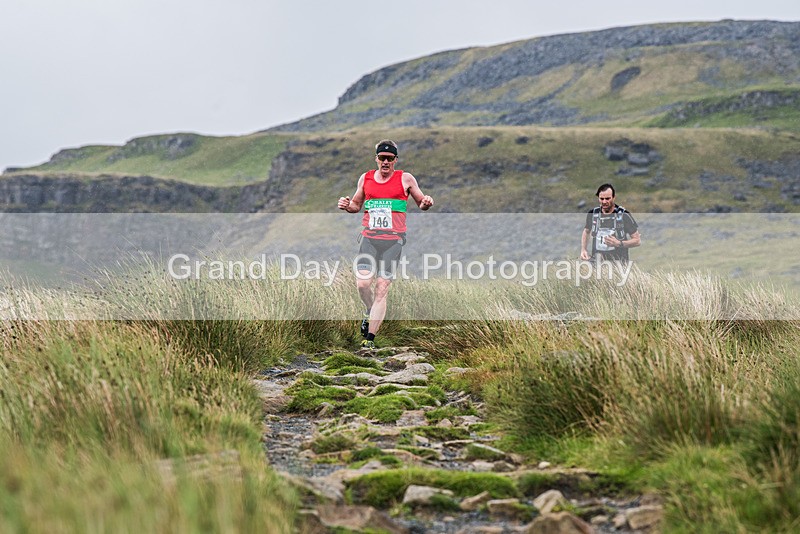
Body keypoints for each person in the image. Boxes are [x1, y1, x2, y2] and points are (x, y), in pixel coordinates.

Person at [337, 140, 434, 349]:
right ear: (376, 159)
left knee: (382, 288)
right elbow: (356, 205)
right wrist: (346, 205)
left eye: (390, 159)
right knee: (363, 285)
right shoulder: (366, 178)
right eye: (382, 158)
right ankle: (369, 311)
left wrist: (426, 202)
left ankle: (369, 339)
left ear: (396, 160)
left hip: (393, 242)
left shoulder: (405, 178)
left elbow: (421, 203)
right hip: (369, 240)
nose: (386, 162)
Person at [580, 183, 640, 262]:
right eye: (601, 199)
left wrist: (619, 243)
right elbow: (586, 231)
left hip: (619, 264)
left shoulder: (624, 215)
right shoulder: (593, 214)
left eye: (607, 198)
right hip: (597, 263)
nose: (604, 201)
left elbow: (637, 241)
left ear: (613, 197)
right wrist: (583, 249)